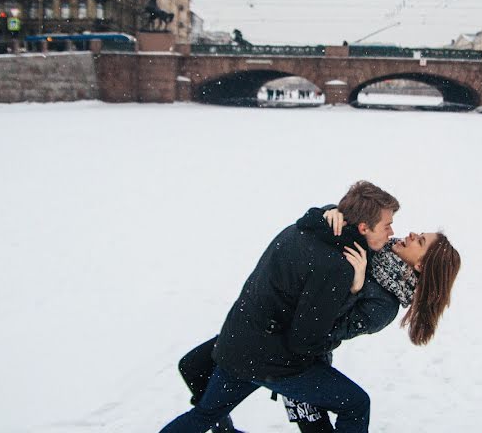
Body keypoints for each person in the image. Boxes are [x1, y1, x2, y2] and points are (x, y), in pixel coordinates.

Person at [176, 205, 462, 433]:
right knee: (194, 369)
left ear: (422, 264)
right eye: (419, 233)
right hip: (270, 332)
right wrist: (328, 215)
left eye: (420, 241)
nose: (410, 234)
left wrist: (354, 288)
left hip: (297, 355)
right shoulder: (379, 247)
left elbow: (327, 329)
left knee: (348, 409)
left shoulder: (383, 306)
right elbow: (344, 226)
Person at [158, 181, 400, 433]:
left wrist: (328, 211)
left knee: (204, 414)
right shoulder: (336, 266)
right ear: (363, 227)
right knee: (355, 404)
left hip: (236, 345)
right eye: (387, 225)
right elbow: (305, 342)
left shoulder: (304, 228)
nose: (392, 232)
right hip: (272, 361)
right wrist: (354, 290)